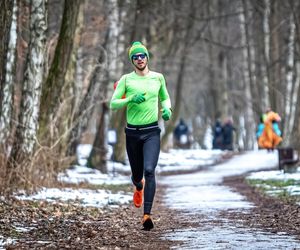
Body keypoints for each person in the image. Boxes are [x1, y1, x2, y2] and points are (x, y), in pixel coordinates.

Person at [110, 41, 172, 230]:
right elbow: (113, 103)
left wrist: (167, 109)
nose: (139, 59)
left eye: (142, 55)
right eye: (135, 57)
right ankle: (138, 186)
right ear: (132, 61)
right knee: (138, 175)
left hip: (152, 132)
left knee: (150, 170)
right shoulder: (126, 80)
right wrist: (129, 98)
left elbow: (165, 97)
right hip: (132, 134)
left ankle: (146, 215)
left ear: (147, 57)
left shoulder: (158, 78)